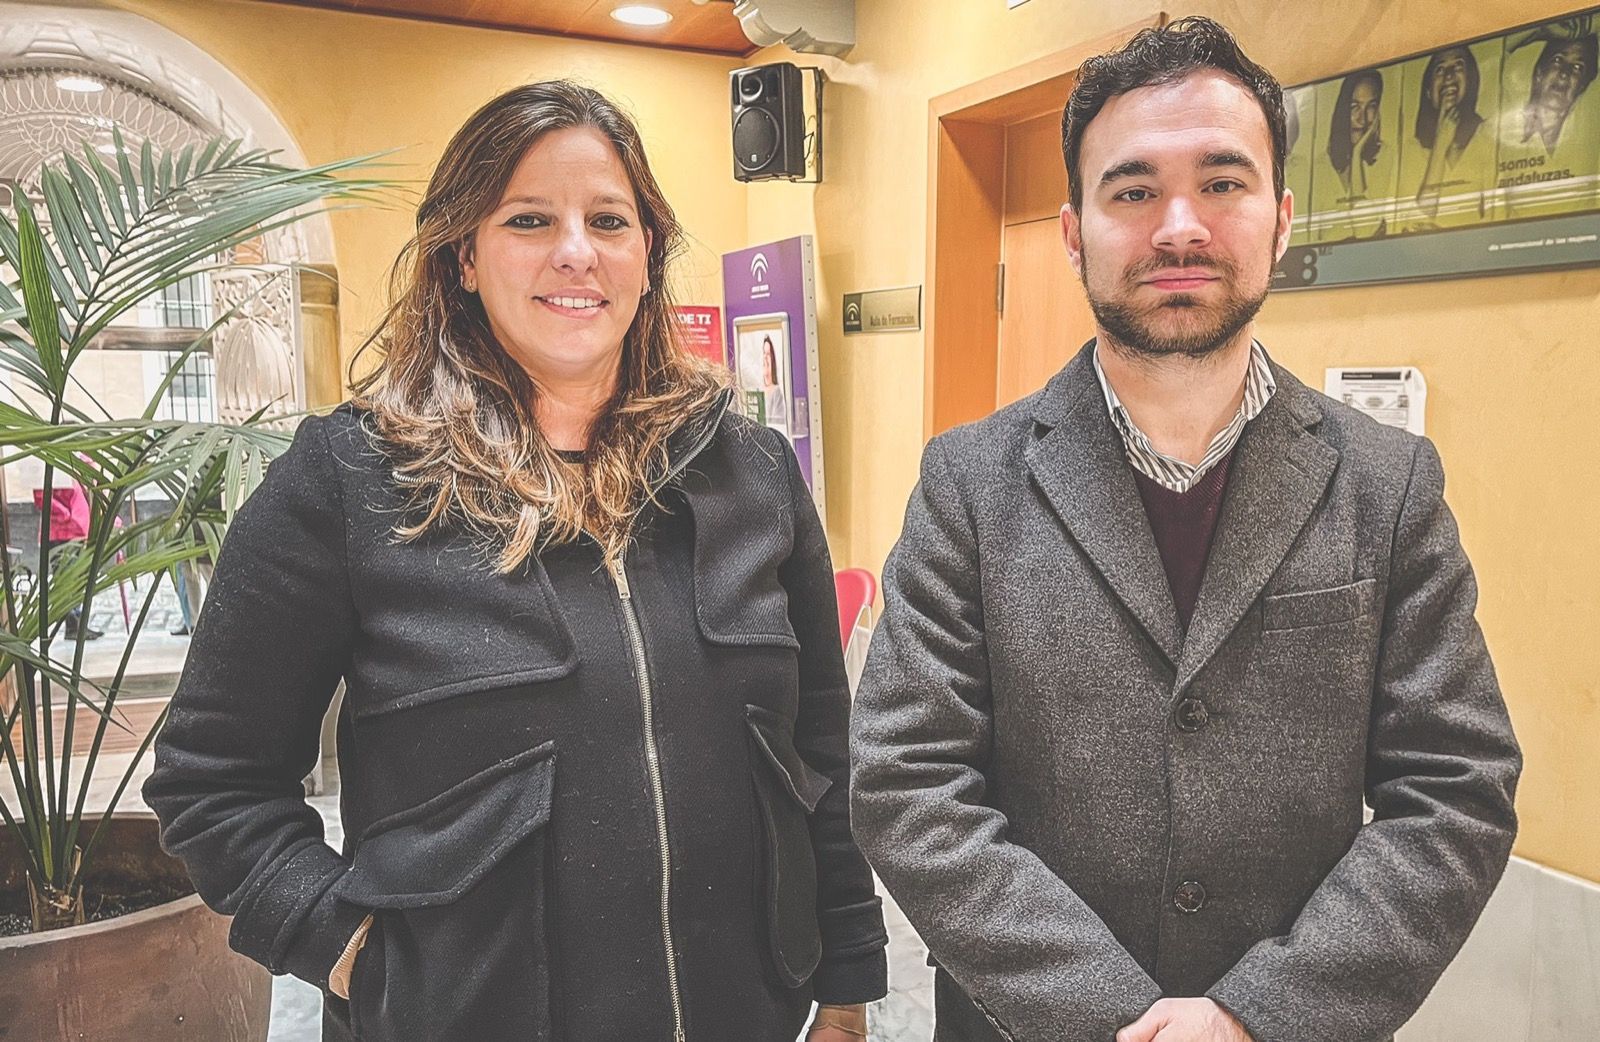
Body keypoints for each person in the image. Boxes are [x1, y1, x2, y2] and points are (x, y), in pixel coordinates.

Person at [144, 81, 887, 1042]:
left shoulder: (746, 470)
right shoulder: (351, 480)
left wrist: (845, 984)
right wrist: (355, 954)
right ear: (464, 255)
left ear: (648, 253)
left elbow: (819, 759)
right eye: (530, 219)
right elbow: (212, 781)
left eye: (608, 220)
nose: (576, 250)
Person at [850, 17, 1521, 1042]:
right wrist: (1111, 1015)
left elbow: (1454, 789)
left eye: (1222, 182)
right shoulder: (969, 483)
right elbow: (908, 780)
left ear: (1281, 218)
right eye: (1131, 190)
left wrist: (1260, 1015)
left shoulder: (1385, 485)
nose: (1178, 227)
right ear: (1073, 230)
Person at [1499, 17, 1600, 220]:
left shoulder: (1590, 124)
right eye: (1557, 60)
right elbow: (1495, 53)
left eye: (1577, 68)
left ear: (1583, 86)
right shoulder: (1509, 130)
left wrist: (1580, 27)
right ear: (1538, 73)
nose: (1564, 74)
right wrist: (1542, 29)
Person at [1402, 45, 1495, 229]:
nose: (1449, 76)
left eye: (1458, 67)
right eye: (1440, 69)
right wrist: (1440, 144)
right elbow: (1414, 225)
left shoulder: (1488, 137)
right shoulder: (1412, 150)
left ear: (1471, 83)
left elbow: (1494, 219)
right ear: (1428, 91)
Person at [1314, 69, 1394, 240]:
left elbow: (1365, 231)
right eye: (1354, 107)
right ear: (1343, 111)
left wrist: (1357, 155)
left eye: (1371, 106)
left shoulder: (1385, 156)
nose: (1362, 118)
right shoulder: (1321, 164)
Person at [33, 479, 101, 640]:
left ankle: (78, 622)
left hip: (76, 531)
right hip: (61, 532)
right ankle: (72, 625)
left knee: (77, 581)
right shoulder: (52, 471)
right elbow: (41, 496)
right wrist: (66, 515)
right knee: (66, 581)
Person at [760, 334, 790, 433]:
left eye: (768, 354)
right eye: (764, 353)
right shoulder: (759, 390)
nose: (765, 357)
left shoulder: (777, 392)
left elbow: (778, 426)